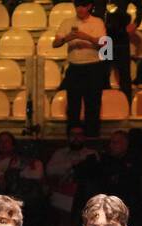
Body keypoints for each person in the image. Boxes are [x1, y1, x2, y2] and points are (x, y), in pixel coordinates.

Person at [53, 0, 107, 137]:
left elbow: (104, 44)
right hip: (75, 67)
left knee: (93, 105)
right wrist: (66, 38)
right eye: (77, 6)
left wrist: (86, 37)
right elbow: (55, 43)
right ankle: (72, 139)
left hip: (93, 67)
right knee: (73, 106)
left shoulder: (98, 22)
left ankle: (92, 137)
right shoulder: (67, 22)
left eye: (83, 6)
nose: (80, 9)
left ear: (89, 6)